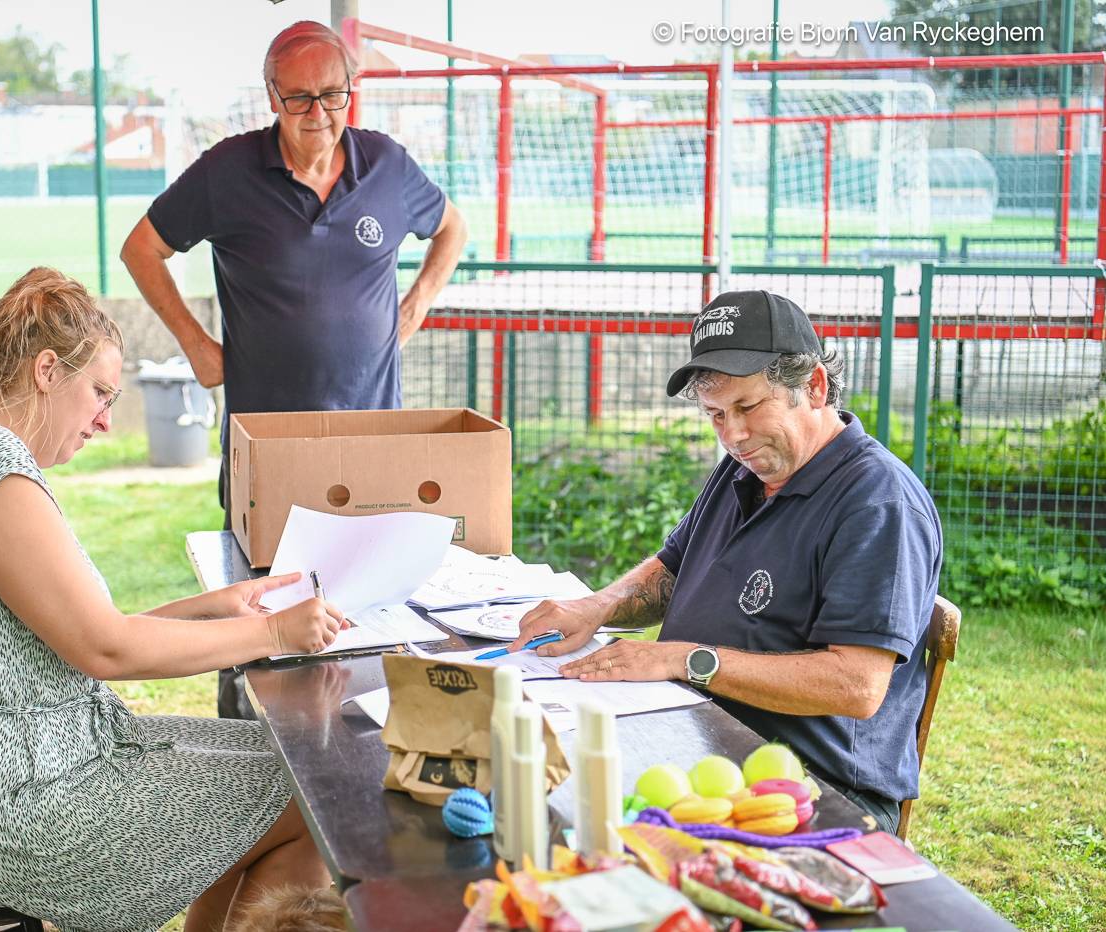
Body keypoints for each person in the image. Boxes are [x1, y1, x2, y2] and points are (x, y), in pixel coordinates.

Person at [0, 268, 344, 932]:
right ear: (45, 371)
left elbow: (67, 634)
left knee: (287, 772)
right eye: (99, 392)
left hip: (5, 775)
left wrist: (212, 607)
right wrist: (275, 635)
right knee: (307, 797)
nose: (105, 420)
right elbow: (104, 648)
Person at [121, 20, 467, 718]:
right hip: (267, 448)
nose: (318, 115)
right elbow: (142, 248)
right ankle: (242, 744)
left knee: (365, 610)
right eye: (299, 99)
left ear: (352, 91)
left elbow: (453, 227)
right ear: (271, 95)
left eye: (333, 96)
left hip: (371, 441)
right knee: (254, 603)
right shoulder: (227, 171)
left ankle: (355, 741)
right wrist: (195, 342)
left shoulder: (388, 166)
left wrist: (420, 298)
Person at [513, 290, 943, 834]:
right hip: (700, 739)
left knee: (574, 826)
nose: (732, 435)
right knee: (535, 783)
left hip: (811, 786)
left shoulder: (877, 502)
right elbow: (673, 570)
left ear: (812, 386)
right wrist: (596, 608)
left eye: (747, 407)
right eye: (716, 414)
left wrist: (686, 660)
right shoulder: (747, 467)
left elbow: (856, 686)